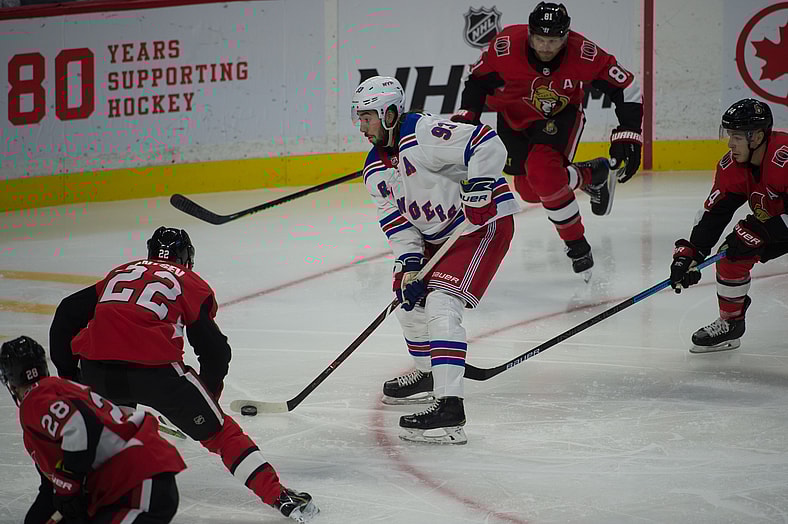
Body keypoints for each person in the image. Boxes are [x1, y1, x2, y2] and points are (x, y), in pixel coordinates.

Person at [48, 227, 319, 523]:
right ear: (187, 258)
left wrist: (70, 376)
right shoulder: (190, 282)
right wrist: (208, 399)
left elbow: (66, 313)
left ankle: (79, 502)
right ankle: (279, 497)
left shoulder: (120, 272)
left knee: (109, 432)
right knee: (221, 434)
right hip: (157, 374)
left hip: (96, 368)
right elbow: (215, 351)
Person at [351, 74, 522, 444]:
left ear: (391, 113)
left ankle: (450, 409)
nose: (361, 126)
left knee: (442, 303)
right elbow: (398, 224)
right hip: (437, 236)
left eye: (368, 117)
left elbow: (487, 143)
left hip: (481, 224)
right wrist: (410, 265)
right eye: (358, 118)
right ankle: (430, 372)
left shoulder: (424, 133)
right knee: (407, 299)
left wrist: (478, 187)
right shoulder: (374, 169)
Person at [452, 2, 643, 278]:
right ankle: (592, 174)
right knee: (529, 191)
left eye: (553, 40)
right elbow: (476, 80)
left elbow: (626, 86)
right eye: (539, 39)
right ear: (529, 33)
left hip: (560, 116)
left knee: (543, 174)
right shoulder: (506, 45)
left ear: (566, 37)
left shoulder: (584, 53)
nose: (544, 47)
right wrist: (467, 118)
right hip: (513, 117)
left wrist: (629, 132)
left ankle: (577, 245)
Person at [0, 335, 186, 524]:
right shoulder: (57, 390)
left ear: (11, 382)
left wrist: (69, 482)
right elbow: (54, 487)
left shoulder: (35, 400)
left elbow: (80, 424)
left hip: (137, 485)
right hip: (136, 484)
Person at [669, 98, 788, 352]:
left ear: (756, 137)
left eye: (736, 136)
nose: (730, 143)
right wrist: (692, 253)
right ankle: (731, 324)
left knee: (748, 236)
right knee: (732, 252)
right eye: (729, 135)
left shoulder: (784, 159)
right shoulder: (732, 167)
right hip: (779, 222)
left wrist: (761, 231)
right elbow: (714, 215)